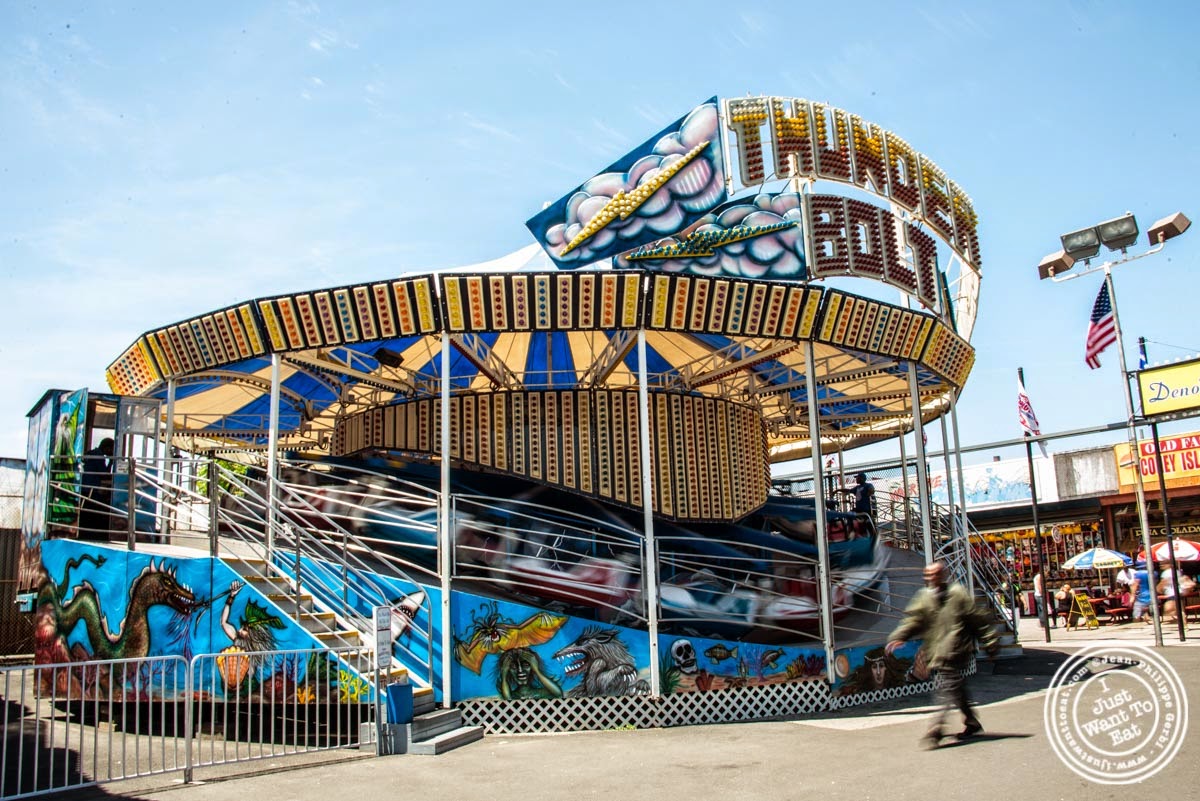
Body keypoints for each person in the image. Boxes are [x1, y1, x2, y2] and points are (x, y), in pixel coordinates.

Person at [886, 561, 999, 750]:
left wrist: (990, 642)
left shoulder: (958, 594)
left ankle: (936, 729)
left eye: (936, 574)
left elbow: (976, 619)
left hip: (956, 649)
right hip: (937, 649)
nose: (931, 578)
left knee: (947, 688)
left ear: (944, 575)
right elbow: (914, 620)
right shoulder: (924, 597)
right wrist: (899, 636)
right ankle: (971, 721)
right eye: (929, 575)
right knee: (956, 687)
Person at [78, 437, 114, 539]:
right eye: (111, 449)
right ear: (107, 448)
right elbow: (104, 474)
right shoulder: (99, 456)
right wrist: (111, 462)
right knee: (97, 510)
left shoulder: (92, 453)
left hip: (85, 487)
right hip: (92, 489)